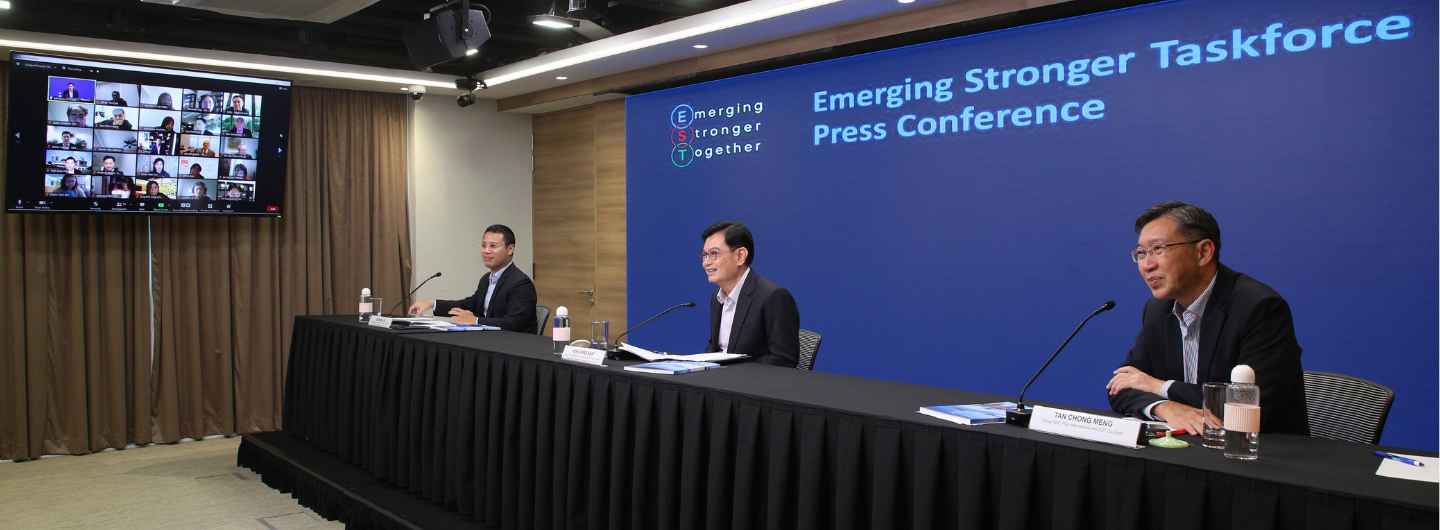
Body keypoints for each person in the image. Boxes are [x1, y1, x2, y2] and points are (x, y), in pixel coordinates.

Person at [1107, 201, 1309, 436]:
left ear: (1203, 252)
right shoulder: (1157, 310)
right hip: (1188, 449)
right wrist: (1166, 408)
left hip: (1256, 452)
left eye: (1158, 249)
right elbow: (1121, 387)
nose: (1147, 265)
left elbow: (1254, 409)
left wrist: (1160, 387)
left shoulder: (1259, 308)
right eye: (1141, 253)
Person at [701, 221, 800, 366]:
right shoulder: (717, 298)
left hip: (752, 380)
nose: (706, 262)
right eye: (704, 255)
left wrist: (734, 373)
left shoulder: (773, 296)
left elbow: (784, 359)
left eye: (714, 254)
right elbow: (716, 347)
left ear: (740, 256)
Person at [407, 224, 538, 333]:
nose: (486, 250)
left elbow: (511, 324)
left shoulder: (521, 283)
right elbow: (468, 305)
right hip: (488, 341)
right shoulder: (486, 279)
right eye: (484, 245)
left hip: (513, 348)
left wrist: (475, 320)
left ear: (510, 249)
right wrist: (432, 304)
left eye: (493, 246)